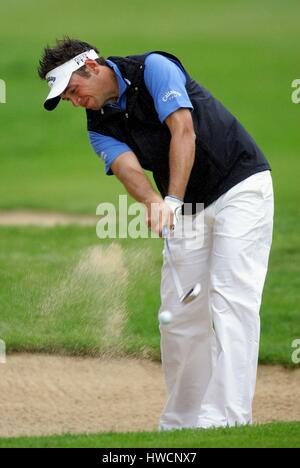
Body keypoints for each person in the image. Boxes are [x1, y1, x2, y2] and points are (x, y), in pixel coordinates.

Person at [38, 38, 274, 430]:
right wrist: (155, 205)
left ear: (92, 68)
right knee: (179, 315)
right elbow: (129, 170)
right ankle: (182, 423)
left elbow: (184, 130)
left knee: (233, 300)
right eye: (66, 100)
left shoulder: (153, 69)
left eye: (74, 91)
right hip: (186, 207)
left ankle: (227, 419)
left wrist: (174, 200)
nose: (75, 102)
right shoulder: (98, 125)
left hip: (240, 186)